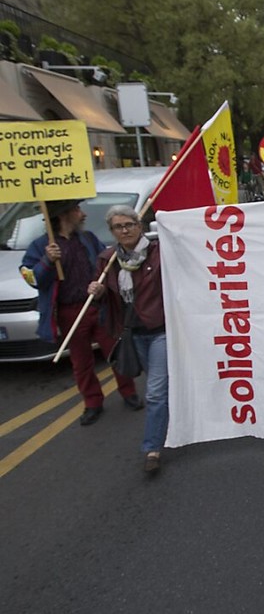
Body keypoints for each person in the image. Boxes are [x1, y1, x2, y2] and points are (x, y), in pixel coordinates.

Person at [20, 199, 141, 426]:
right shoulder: (40, 246)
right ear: (63, 215)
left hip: (98, 306)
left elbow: (106, 267)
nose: (82, 214)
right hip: (69, 311)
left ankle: (129, 393)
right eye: (77, 210)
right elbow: (32, 279)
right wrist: (48, 260)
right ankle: (92, 402)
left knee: (116, 352)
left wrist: (103, 287)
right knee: (81, 361)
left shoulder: (87, 239)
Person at [87, 206, 169, 474]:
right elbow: (108, 299)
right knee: (161, 387)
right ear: (112, 232)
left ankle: (152, 448)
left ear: (139, 225)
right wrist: (97, 292)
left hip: (161, 330)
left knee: (155, 391)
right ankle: (174, 422)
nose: (124, 230)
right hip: (132, 333)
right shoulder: (107, 259)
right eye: (118, 227)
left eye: (129, 225)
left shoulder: (160, 252)